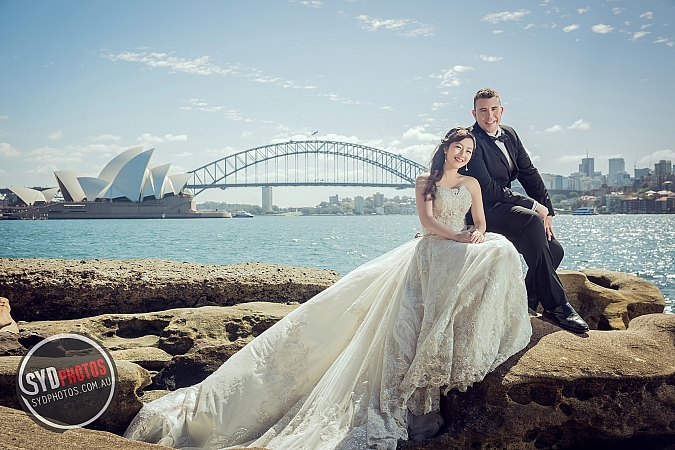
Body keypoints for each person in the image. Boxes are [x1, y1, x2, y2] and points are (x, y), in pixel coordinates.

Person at [124, 127, 532, 450]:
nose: (463, 155)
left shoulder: (473, 184)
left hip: (459, 246)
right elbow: (428, 224)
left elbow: (479, 221)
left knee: (500, 250)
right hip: (433, 249)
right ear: (445, 149)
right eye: (458, 149)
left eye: (468, 151)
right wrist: (460, 240)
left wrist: (476, 234)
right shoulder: (425, 181)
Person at [465, 88, 589, 334]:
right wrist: (534, 206)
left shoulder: (509, 134)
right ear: (474, 113)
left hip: (505, 206)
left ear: (501, 110)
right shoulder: (472, 140)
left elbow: (529, 173)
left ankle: (527, 297)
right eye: (482, 111)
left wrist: (548, 211)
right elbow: (487, 189)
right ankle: (556, 306)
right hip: (482, 209)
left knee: (555, 250)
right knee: (531, 220)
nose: (489, 116)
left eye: (493, 110)